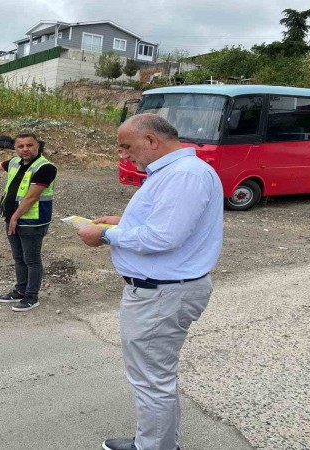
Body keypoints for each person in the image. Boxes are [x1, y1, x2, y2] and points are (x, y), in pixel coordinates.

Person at [77, 114, 223, 450]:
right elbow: (167, 224)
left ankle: (153, 447)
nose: (124, 155)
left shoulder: (184, 175)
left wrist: (106, 234)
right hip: (164, 291)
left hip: (161, 295)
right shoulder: (179, 172)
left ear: (152, 141)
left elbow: (162, 237)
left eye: (127, 146)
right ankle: (158, 443)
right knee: (155, 377)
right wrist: (123, 222)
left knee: (151, 380)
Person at [0, 133, 57, 312]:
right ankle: (20, 290)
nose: (25, 149)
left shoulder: (46, 168)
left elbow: (31, 197)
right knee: (19, 258)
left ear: (38, 146)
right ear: (15, 148)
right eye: (20, 146)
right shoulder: (15, 162)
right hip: (12, 218)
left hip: (32, 221)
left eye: (29, 145)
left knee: (32, 260)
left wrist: (14, 217)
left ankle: (31, 296)